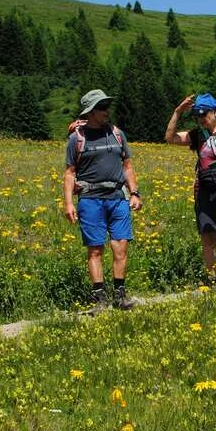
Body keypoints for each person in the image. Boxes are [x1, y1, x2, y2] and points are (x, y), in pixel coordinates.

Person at [63, 89, 142, 313]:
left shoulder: (117, 134)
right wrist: (68, 203)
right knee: (95, 250)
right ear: (90, 112)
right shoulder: (76, 139)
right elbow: (69, 172)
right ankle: (99, 298)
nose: (106, 111)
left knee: (121, 246)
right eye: (101, 107)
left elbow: (127, 166)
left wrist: (134, 192)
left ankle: (120, 295)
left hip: (117, 198)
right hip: (90, 200)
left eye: (107, 106)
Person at [164, 93, 216, 285]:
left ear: (215, 111)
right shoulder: (197, 135)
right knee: (207, 234)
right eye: (197, 115)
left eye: (205, 113)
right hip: (204, 188)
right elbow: (170, 137)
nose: (201, 118)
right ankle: (213, 278)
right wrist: (178, 111)